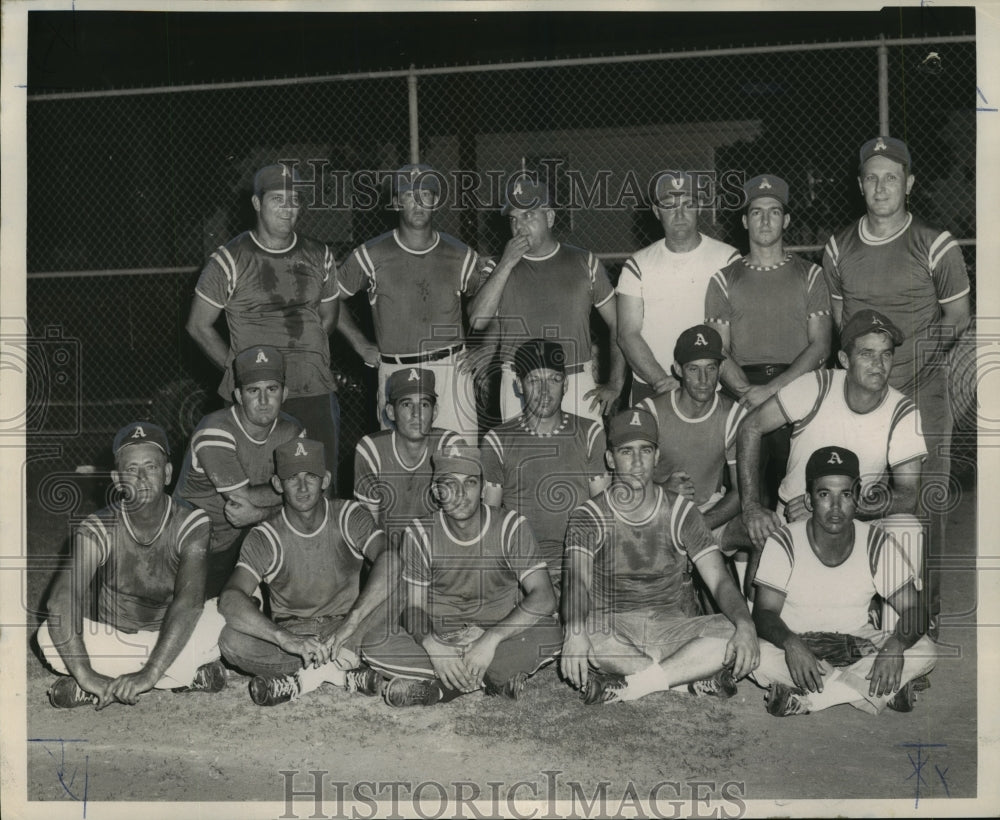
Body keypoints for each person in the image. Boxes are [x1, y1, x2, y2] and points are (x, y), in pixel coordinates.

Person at [822, 137, 972, 628]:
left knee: (924, 499)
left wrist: (904, 363)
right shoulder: (838, 246)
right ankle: (861, 606)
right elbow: (840, 326)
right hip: (862, 392)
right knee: (854, 493)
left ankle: (921, 615)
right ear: (859, 185)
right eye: (871, 177)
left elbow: (958, 317)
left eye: (891, 177)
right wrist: (862, 376)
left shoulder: (935, 242)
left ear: (908, 183)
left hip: (921, 387)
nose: (880, 186)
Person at [560, 408, 759, 705]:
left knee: (731, 630)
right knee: (581, 630)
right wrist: (575, 631)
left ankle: (637, 683)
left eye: (646, 450)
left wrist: (746, 624)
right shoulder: (588, 516)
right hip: (613, 626)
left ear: (657, 456)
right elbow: (576, 582)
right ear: (611, 459)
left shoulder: (680, 511)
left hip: (670, 627)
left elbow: (718, 581)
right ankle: (682, 677)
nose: (638, 462)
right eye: (627, 452)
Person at [736, 310, 927, 594]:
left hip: (854, 518)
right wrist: (751, 507)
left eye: (886, 354)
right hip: (793, 514)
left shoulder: (902, 411)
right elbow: (750, 427)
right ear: (845, 360)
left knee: (907, 527)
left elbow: (908, 496)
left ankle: (898, 626)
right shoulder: (816, 386)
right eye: (867, 354)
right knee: (762, 609)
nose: (878, 364)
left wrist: (835, 508)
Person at [38, 422, 227, 709]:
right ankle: (182, 677)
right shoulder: (98, 527)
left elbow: (189, 603)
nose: (140, 477)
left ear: (167, 473)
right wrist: (85, 673)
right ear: (116, 479)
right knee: (46, 636)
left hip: (173, 638)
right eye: (131, 469)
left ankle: (108, 685)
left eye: (151, 467)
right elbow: (62, 600)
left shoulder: (192, 522)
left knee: (224, 622)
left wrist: (149, 673)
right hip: (118, 641)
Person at [360, 445, 563, 707]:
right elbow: (413, 607)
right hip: (442, 633)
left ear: (482, 488)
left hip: (497, 630)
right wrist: (433, 645)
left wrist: (489, 640)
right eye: (449, 484)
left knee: (552, 634)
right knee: (374, 643)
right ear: (436, 491)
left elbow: (545, 597)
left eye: (469, 483)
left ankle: (442, 690)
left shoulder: (511, 526)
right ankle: (493, 677)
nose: (460, 494)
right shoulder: (419, 533)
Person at [751, 445, 936, 717]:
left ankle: (813, 699)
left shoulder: (875, 541)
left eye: (846, 494)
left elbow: (915, 609)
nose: (835, 507)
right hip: (798, 644)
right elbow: (764, 613)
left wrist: (896, 645)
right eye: (824, 494)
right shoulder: (785, 540)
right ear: (808, 500)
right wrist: (791, 644)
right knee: (759, 658)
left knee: (925, 649)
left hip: (858, 642)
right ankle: (881, 689)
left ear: (858, 498)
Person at [186, 163, 341, 481]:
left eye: (294, 200)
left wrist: (304, 356)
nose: (288, 208)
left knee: (318, 481)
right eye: (277, 199)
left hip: (312, 387)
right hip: (258, 396)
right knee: (260, 484)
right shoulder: (229, 259)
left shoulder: (318, 253)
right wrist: (242, 369)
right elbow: (198, 325)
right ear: (257, 203)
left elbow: (329, 315)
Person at [218, 439, 392, 706]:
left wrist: (352, 624)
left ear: (325, 479)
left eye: (310, 476)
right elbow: (230, 598)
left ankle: (303, 679)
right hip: (294, 639)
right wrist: (285, 639)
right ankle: (339, 674)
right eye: (292, 477)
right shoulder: (266, 535)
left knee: (406, 581)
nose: (302, 487)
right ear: (278, 484)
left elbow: (390, 557)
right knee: (232, 640)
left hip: (347, 629)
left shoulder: (348, 515)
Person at [705, 174, 832, 507]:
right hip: (743, 389)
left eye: (774, 211)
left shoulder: (811, 274)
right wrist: (749, 392)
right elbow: (719, 350)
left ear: (786, 219)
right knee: (746, 495)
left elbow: (820, 346)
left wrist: (774, 389)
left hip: (797, 385)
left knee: (799, 495)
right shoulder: (724, 279)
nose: (765, 219)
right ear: (745, 220)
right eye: (757, 212)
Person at [336, 164, 487, 439]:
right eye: (409, 196)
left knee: (460, 461)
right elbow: (329, 297)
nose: (418, 203)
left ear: (435, 201)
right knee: (400, 466)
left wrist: (487, 347)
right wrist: (359, 343)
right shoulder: (371, 254)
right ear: (396, 203)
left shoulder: (460, 254)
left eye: (426, 195)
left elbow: (496, 297)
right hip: (396, 369)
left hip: (450, 368)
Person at [468, 176, 625, 423]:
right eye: (513, 219)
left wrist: (615, 382)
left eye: (529, 215)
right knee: (521, 460)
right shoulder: (496, 267)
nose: (519, 226)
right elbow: (478, 320)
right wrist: (507, 262)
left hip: (574, 379)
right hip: (518, 383)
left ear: (550, 218)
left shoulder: (584, 262)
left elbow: (619, 323)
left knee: (580, 460)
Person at [174, 345, 304, 598]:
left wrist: (261, 513)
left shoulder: (292, 431)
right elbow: (241, 501)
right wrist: (288, 495)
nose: (264, 401)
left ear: (285, 393)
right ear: (238, 395)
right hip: (196, 543)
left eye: (272, 389)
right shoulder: (215, 430)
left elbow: (313, 496)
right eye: (253, 391)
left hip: (245, 537)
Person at [482, 338, 610, 591]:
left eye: (553, 379)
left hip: (581, 565)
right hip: (523, 571)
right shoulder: (497, 440)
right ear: (518, 385)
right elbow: (490, 520)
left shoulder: (590, 433)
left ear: (566, 384)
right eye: (533, 380)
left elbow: (604, 513)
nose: (544, 391)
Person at [637, 325, 752, 590]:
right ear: (677, 369)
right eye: (693, 369)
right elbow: (626, 487)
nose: (703, 379)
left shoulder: (733, 414)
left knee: (761, 532)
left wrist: (699, 525)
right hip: (658, 513)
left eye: (711, 368)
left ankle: (754, 613)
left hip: (709, 513)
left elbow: (742, 492)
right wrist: (662, 490)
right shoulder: (650, 412)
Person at [617, 171, 740, 403]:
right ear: (656, 212)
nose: (680, 214)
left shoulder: (728, 259)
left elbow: (740, 330)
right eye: (670, 206)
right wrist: (661, 381)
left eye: (688, 204)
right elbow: (627, 333)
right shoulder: (638, 264)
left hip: (715, 385)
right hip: (654, 385)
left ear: (699, 207)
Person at [354, 367, 467, 536]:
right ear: (391, 412)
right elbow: (367, 527)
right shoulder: (371, 450)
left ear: (434, 411)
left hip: (435, 549)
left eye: (424, 404)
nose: (416, 414)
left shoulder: (449, 446)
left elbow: (459, 521)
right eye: (407, 404)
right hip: (387, 550)